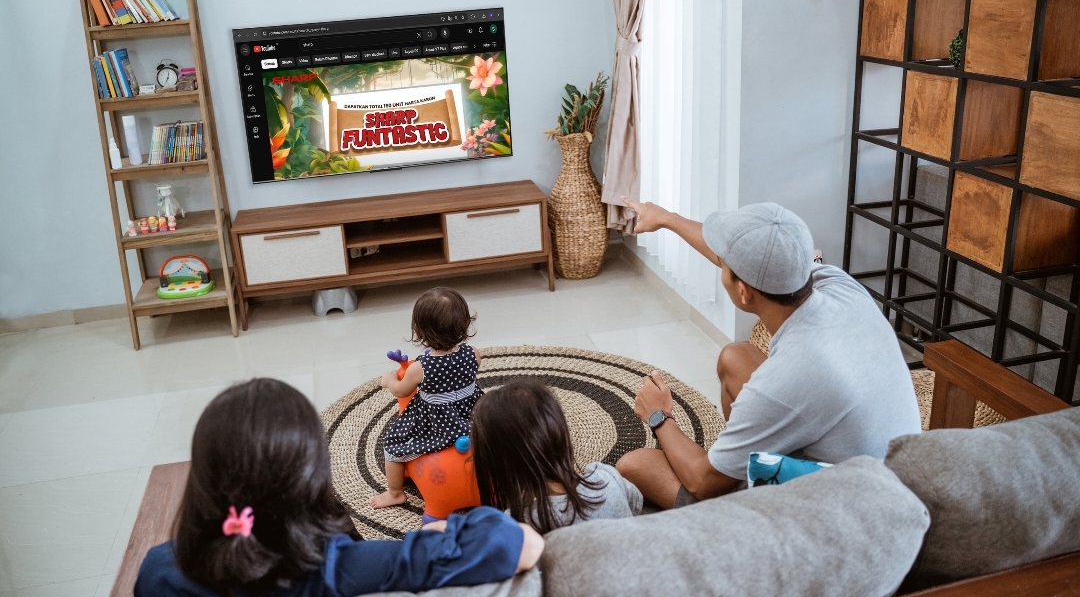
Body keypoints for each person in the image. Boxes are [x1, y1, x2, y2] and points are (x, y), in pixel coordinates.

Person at [616, 198, 922, 509]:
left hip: (855, 506)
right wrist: (666, 218)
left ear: (743, 292)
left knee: (635, 465)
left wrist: (659, 416)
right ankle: (734, 463)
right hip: (891, 470)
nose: (721, 262)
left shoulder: (786, 379)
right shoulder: (837, 284)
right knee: (735, 357)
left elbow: (700, 482)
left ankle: (732, 501)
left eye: (725, 265)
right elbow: (737, 258)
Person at [134, 379, 544, 596]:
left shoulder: (159, 572)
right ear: (311, 480)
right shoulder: (341, 569)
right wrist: (437, 531)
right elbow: (520, 543)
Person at [471, 379, 643, 534]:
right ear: (561, 435)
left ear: (493, 464)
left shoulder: (514, 526)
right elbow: (637, 504)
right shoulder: (606, 478)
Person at [371, 287, 484, 509]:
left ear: (419, 332)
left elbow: (401, 391)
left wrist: (388, 380)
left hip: (437, 422)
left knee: (392, 443)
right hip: (474, 415)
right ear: (465, 324)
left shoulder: (420, 368)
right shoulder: (474, 353)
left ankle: (395, 492)